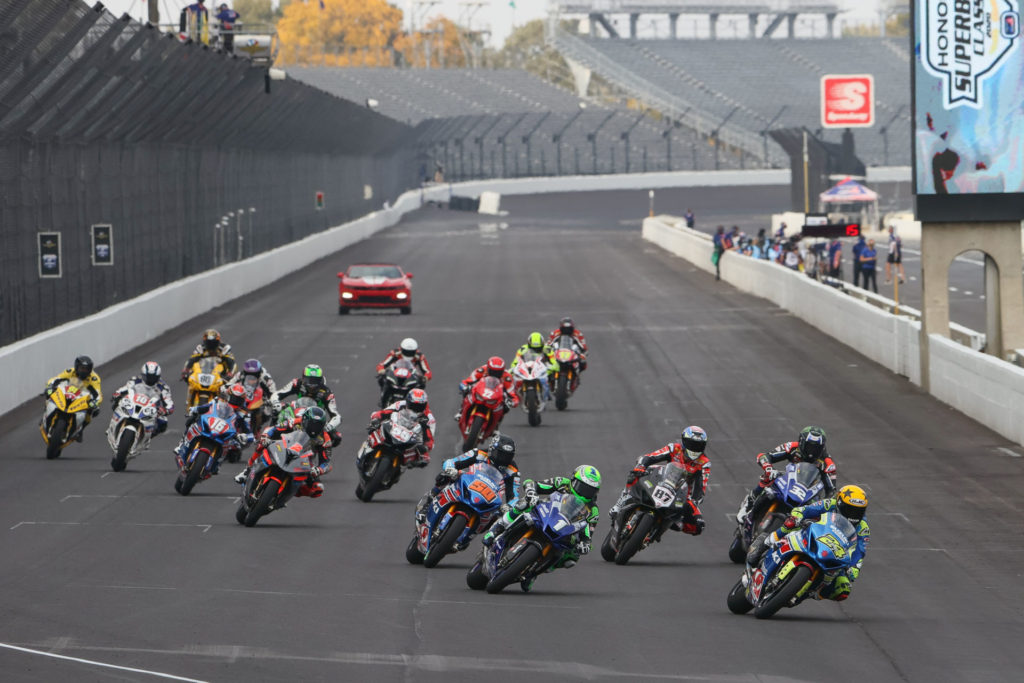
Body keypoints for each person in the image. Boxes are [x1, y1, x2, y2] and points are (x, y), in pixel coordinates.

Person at [482, 465, 601, 592]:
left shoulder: (593, 510)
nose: (585, 492)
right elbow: (532, 484)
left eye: (590, 490)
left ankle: (535, 572)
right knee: (524, 503)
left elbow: (588, 531)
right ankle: (498, 528)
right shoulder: (562, 483)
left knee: (571, 558)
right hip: (545, 512)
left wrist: (585, 543)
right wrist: (531, 491)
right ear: (573, 480)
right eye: (583, 487)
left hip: (566, 529)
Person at [746, 485, 869, 602]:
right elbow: (805, 509)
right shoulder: (829, 504)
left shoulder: (863, 528)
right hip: (810, 533)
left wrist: (854, 569)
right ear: (839, 503)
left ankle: (813, 592)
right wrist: (797, 516)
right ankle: (766, 542)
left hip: (833, 552)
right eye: (850, 509)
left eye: (858, 511)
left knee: (844, 587)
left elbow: (860, 552)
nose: (854, 514)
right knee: (790, 524)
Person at [415, 433, 522, 549]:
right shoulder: (479, 454)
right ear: (492, 449)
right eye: (500, 454)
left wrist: (509, 506)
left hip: (490, 496)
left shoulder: (513, 470)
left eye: (507, 456)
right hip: (471, 482)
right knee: (444, 476)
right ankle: (428, 502)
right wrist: (451, 469)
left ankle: (469, 536)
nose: (503, 459)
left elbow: (514, 496)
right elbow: (452, 462)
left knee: (497, 517)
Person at [608, 426, 709, 535]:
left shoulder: (704, 462)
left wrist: (693, 502)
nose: (694, 449)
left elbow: (701, 489)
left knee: (699, 526)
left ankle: (669, 523)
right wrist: (641, 466)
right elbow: (650, 457)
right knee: (635, 473)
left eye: (698, 446)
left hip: (681, 493)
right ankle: (619, 505)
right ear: (684, 441)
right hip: (661, 480)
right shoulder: (674, 448)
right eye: (692, 444)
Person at [736, 425, 837, 524]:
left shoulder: (828, 463)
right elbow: (765, 456)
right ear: (801, 442)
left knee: (817, 513)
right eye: (809, 446)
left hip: (810, 490)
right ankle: (749, 503)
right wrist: (769, 468)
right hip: (790, 480)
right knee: (769, 477)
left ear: (822, 447)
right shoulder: (792, 447)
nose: (812, 451)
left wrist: (823, 504)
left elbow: (831, 491)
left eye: (816, 448)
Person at [233, 406, 332, 497]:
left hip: (305, 460)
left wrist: (319, 470)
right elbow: (273, 429)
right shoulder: (295, 422)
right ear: (305, 419)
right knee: (261, 444)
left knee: (318, 489)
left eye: (318, 425)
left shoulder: (325, 439)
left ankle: (287, 493)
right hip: (284, 446)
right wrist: (265, 437)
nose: (314, 428)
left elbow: (326, 462)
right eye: (311, 423)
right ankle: (247, 471)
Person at [173, 383, 253, 472]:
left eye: (239, 400)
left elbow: (250, 433)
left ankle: (217, 464)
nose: (235, 402)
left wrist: (244, 437)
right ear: (228, 395)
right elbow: (207, 406)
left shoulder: (244, 413)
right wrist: (195, 409)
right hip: (212, 422)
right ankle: (181, 444)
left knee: (234, 450)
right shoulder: (219, 400)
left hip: (229, 433)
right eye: (234, 398)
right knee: (192, 419)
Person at [271, 364, 342, 446]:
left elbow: (337, 416)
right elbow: (278, 394)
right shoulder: (297, 383)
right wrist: (276, 403)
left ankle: (322, 456)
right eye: (309, 380)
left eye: (315, 381)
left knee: (336, 438)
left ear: (320, 380)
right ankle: (269, 437)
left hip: (315, 419)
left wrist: (329, 426)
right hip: (295, 413)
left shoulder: (327, 392)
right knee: (276, 412)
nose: (312, 384)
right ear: (303, 378)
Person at [364, 388, 436, 468]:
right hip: (395, 427)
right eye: (413, 405)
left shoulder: (429, 418)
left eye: (419, 406)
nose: (415, 408)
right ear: (408, 402)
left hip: (411, 438)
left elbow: (430, 438)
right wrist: (376, 418)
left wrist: (425, 447)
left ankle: (400, 467)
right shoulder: (401, 404)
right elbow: (385, 412)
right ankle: (367, 448)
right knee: (375, 428)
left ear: (424, 405)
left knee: (423, 457)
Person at [45, 355, 103, 440]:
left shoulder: (94, 378)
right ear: (76, 367)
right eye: (82, 368)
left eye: (87, 369)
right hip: (67, 392)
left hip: (82, 397)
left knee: (90, 412)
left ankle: (80, 430)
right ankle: (46, 415)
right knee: (49, 396)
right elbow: (56, 379)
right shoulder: (70, 371)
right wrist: (50, 386)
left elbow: (98, 394)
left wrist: (95, 402)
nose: (84, 371)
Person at [110, 362, 174, 435]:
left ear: (158, 377)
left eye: (153, 377)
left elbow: (169, 403)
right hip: (133, 403)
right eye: (148, 376)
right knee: (117, 403)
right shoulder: (135, 380)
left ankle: (148, 436)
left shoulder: (163, 387)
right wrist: (118, 393)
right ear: (143, 374)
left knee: (163, 422)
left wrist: (166, 410)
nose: (150, 379)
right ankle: (113, 425)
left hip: (150, 410)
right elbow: (125, 388)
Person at [456, 356, 519, 422]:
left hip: (496, 397)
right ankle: (461, 411)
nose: (495, 374)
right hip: (479, 391)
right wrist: (464, 387)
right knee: (466, 391)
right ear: (488, 368)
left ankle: (496, 427)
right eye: (493, 371)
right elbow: (466, 381)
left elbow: (513, 395)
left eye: (498, 372)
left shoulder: (507, 378)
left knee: (505, 407)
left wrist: (512, 402)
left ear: (503, 370)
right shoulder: (482, 370)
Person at [510, 332, 558, 400]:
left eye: (538, 348)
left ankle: (551, 389)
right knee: (512, 375)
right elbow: (515, 362)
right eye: (533, 348)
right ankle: (515, 392)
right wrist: (514, 368)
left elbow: (554, 362)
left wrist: (551, 368)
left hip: (543, 369)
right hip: (527, 368)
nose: (536, 350)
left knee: (555, 373)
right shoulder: (522, 349)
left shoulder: (548, 349)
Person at [546, 317, 588, 385]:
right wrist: (548, 352)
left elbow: (583, 347)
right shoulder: (555, 333)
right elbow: (548, 344)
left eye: (569, 329)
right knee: (546, 360)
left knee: (583, 363)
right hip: (558, 351)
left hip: (572, 353)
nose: (567, 331)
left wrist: (583, 354)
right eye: (565, 329)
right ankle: (548, 377)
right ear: (561, 328)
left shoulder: (578, 334)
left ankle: (577, 377)